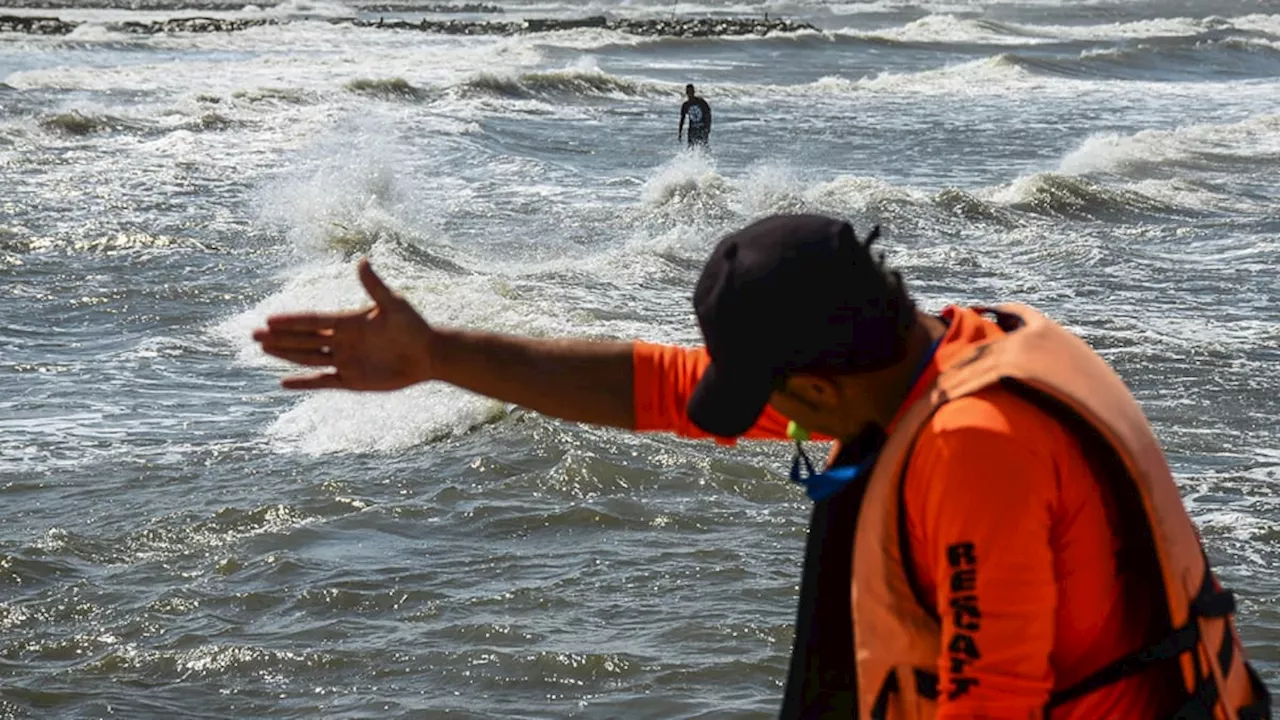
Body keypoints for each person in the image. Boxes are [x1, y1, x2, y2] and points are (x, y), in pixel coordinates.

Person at [252, 214, 1271, 719]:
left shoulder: (974, 450)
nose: (760, 418)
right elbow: (650, 388)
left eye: (768, 396)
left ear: (817, 388)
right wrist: (438, 358)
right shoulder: (950, 348)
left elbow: (988, 692)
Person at [679, 83, 711, 148]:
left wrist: (708, 128)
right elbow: (682, 119)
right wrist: (680, 132)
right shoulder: (685, 105)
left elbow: (708, 114)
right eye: (688, 92)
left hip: (702, 129)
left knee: (704, 147)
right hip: (692, 130)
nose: (690, 93)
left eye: (691, 91)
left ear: (694, 92)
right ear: (686, 93)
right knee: (691, 148)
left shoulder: (701, 102)